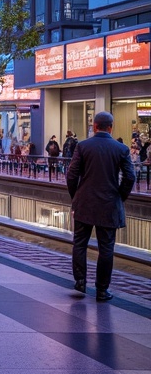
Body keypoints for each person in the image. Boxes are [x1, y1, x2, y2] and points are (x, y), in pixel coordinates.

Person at [66, 111, 135, 302]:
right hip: (109, 205)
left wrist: (76, 197)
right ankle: (102, 290)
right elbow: (130, 177)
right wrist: (119, 196)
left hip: (85, 204)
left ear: (94, 126)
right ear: (111, 127)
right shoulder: (121, 149)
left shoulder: (83, 146)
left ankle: (80, 281)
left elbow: (71, 175)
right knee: (106, 248)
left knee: (80, 243)